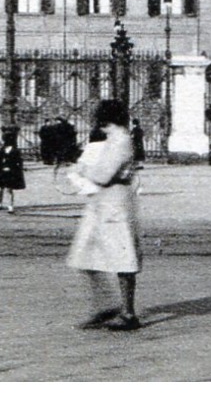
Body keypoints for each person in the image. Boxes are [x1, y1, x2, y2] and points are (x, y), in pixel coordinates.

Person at [66, 99, 142, 331]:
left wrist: (81, 167)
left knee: (123, 257)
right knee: (86, 255)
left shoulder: (120, 140)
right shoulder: (115, 139)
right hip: (104, 202)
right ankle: (108, 304)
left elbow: (103, 175)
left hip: (115, 203)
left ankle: (127, 312)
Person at [0, 125, 27, 213]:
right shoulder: (2, 150)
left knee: (9, 189)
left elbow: (18, 162)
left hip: (10, 171)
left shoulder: (15, 151)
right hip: (1, 171)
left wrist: (12, 168)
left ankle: (10, 206)